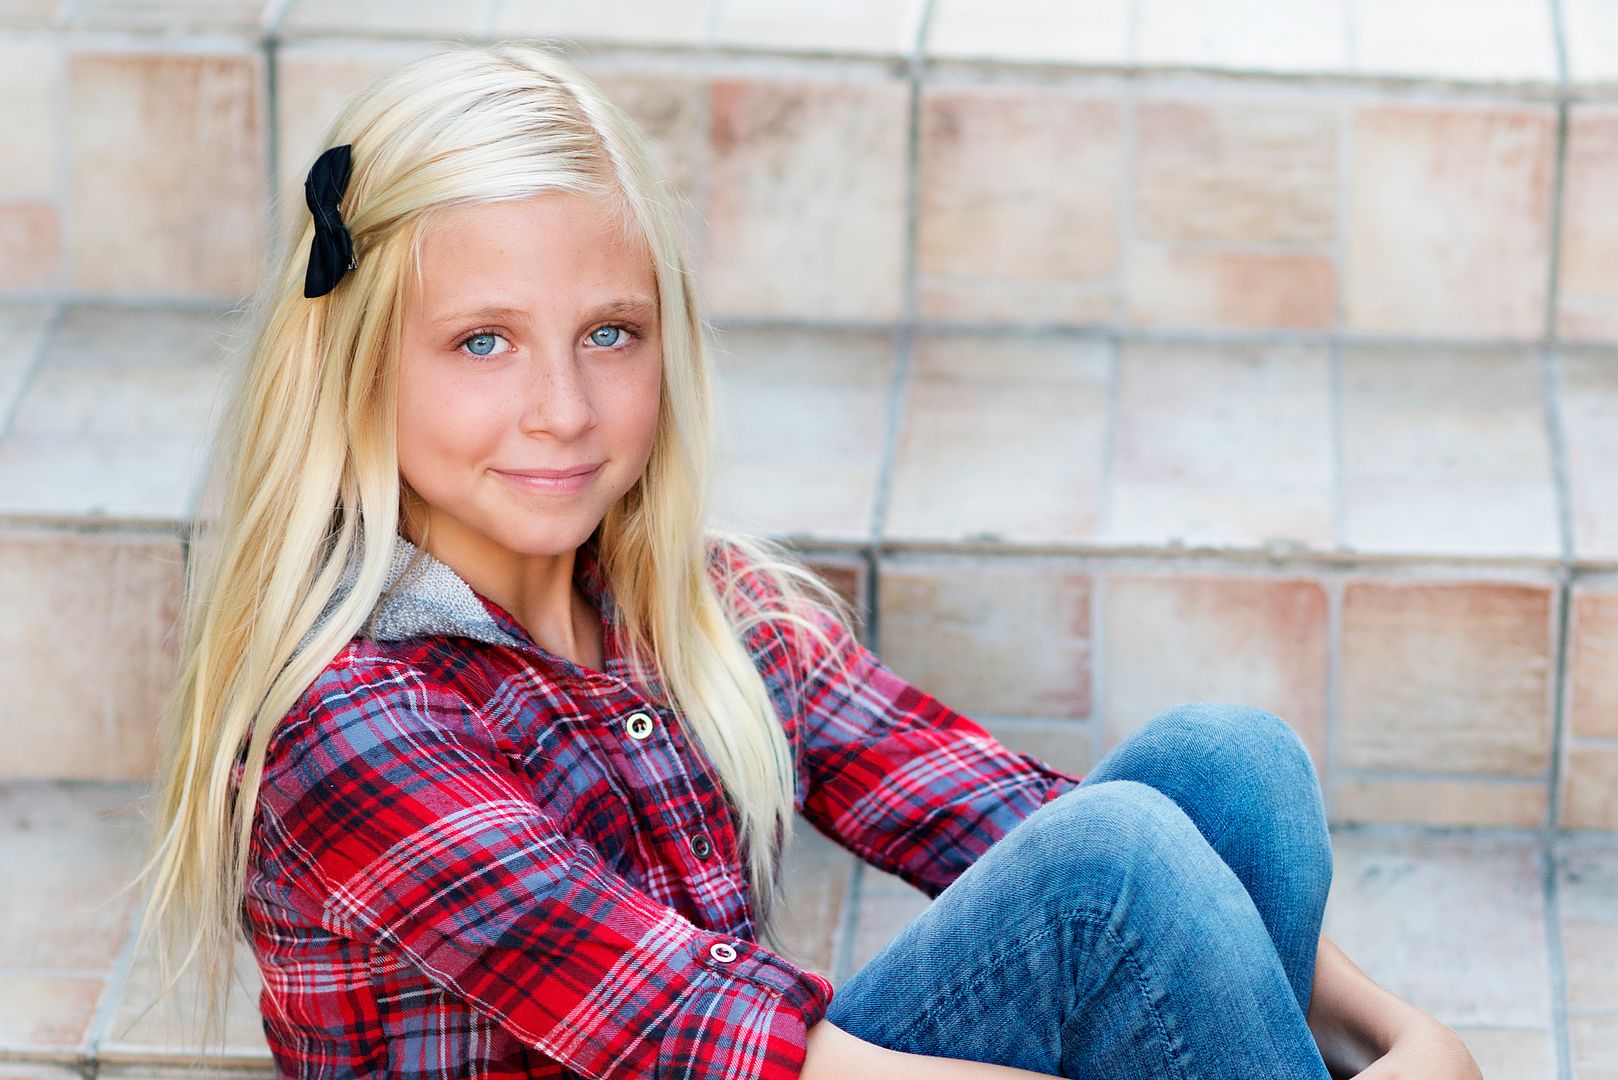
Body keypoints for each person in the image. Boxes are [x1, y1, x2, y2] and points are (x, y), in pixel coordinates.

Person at [139, 43, 1482, 1080]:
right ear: (359, 364)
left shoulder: (692, 603)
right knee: (1117, 866)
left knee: (1221, 769)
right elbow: (699, 1031)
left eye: (609, 333)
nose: (561, 407)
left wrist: (1401, 1034)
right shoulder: (349, 719)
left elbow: (974, 802)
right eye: (482, 342)